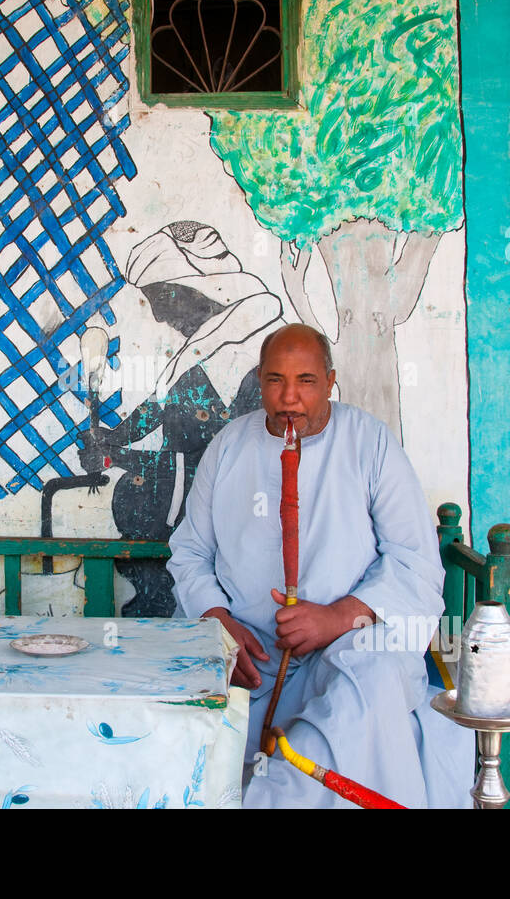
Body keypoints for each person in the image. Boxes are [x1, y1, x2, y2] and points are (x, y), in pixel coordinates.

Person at [166, 323, 472, 808]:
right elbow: (190, 552)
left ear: (330, 381)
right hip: (253, 655)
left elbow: (415, 561)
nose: (289, 398)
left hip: (352, 643)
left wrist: (334, 618)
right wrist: (218, 623)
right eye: (275, 380)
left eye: (306, 381)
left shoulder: (369, 442)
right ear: (259, 380)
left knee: (371, 686)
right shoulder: (228, 447)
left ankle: (286, 791)